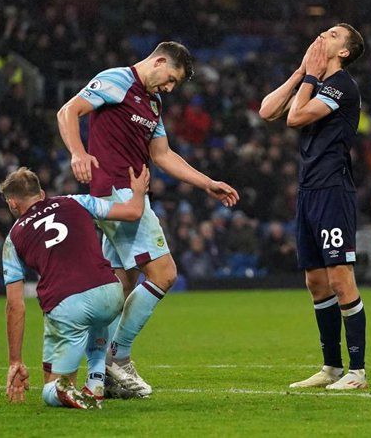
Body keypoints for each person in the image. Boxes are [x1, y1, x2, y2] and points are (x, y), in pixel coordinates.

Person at [56, 41, 239, 396]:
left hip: (129, 194)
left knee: (118, 287)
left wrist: (207, 183)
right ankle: (118, 358)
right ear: (158, 61)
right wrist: (77, 153)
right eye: (170, 79)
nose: (170, 88)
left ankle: (98, 376)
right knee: (164, 272)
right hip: (117, 193)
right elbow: (68, 111)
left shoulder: (152, 103)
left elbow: (163, 154)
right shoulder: (117, 80)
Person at [259, 23, 368, 390]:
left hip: (333, 189)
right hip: (308, 190)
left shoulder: (341, 85)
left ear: (344, 53)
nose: (323, 34)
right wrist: (300, 72)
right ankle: (331, 367)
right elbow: (267, 110)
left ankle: (357, 372)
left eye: (334, 35)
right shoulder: (316, 82)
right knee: (315, 281)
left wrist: (310, 76)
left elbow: (294, 117)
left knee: (339, 278)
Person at [2, 165, 149, 409]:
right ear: (42, 194)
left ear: (13, 204)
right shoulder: (76, 201)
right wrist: (138, 192)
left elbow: (14, 306)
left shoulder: (13, 237)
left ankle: (62, 389)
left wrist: (15, 360)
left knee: (53, 386)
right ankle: (96, 379)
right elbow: (133, 212)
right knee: (98, 315)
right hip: (110, 291)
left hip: (67, 305)